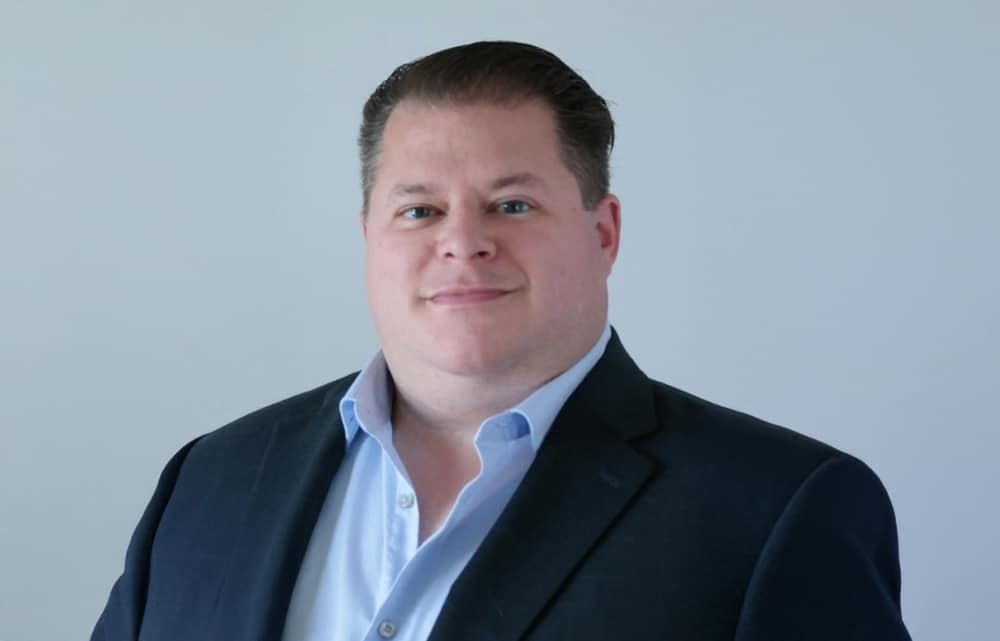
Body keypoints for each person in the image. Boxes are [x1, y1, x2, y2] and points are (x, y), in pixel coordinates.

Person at [91, 41, 911, 641]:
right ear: (369, 236)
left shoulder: (780, 511)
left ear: (604, 232)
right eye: (419, 209)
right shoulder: (208, 481)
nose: (463, 241)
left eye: (512, 205)